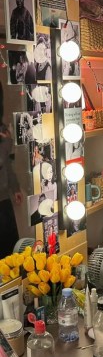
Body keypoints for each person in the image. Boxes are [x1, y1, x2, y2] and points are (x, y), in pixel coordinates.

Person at [0, 82, 22, 258]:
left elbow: (7, 162)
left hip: (4, 197)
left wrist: (14, 187)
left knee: (10, 255)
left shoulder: (1, 127)